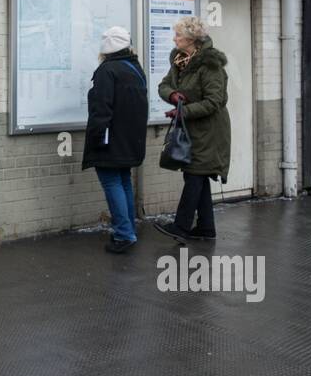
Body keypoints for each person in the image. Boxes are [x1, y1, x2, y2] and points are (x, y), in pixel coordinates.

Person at [154, 17, 230, 244]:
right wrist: (173, 96)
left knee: (195, 174)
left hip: (210, 130)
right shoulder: (179, 60)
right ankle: (206, 228)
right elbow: (164, 85)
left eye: (178, 35)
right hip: (191, 128)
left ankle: (181, 226)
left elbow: (215, 101)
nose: (174, 38)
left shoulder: (210, 64)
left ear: (191, 39)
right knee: (198, 173)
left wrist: (183, 111)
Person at [82, 26, 149, 253]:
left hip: (111, 140)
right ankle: (128, 227)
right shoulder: (135, 68)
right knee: (123, 182)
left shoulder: (106, 71)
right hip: (130, 140)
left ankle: (123, 234)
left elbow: (101, 110)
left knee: (112, 182)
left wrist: (96, 140)